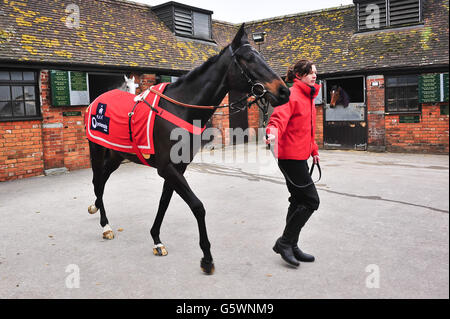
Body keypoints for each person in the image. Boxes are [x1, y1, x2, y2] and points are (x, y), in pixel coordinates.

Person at [265, 59, 321, 267]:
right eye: (309, 73)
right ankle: (285, 242)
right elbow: (277, 119)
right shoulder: (292, 96)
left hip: (301, 156)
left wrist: (313, 150)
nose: (314, 75)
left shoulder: (309, 96)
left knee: (298, 201)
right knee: (311, 201)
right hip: (289, 158)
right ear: (298, 75)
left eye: (315, 72)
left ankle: (292, 245)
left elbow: (308, 128)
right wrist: (271, 132)